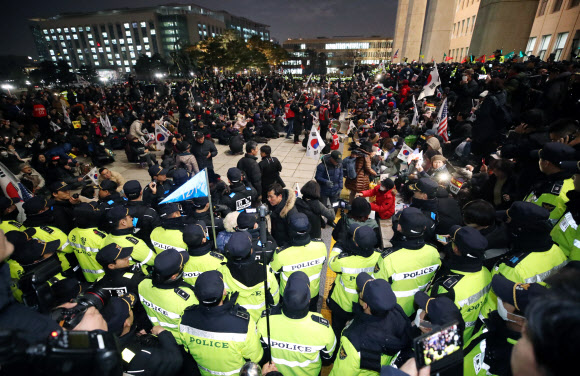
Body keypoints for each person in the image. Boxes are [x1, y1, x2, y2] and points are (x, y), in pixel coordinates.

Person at [481, 201, 568, 317]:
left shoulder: (514, 269)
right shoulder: (557, 250)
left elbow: (495, 308)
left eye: (508, 221)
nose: (505, 224)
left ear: (518, 230)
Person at [179, 270, 263, 376]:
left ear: (196, 296)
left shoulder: (185, 318)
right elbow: (256, 357)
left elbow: (187, 348)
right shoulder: (243, 324)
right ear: (224, 292)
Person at [463, 274, 546, 376]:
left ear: (520, 320)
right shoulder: (499, 325)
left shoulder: (499, 361)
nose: (499, 298)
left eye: (506, 300)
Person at [330, 273, 412, 375]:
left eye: (361, 292)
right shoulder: (398, 313)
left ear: (365, 305)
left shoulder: (353, 341)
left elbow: (341, 373)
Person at [257, 272, 336, 376]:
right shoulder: (323, 329)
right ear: (309, 300)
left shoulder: (264, 322)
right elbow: (327, 359)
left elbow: (261, 353)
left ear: (284, 297)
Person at [428, 225, 491, 341]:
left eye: (452, 241)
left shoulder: (447, 288)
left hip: (444, 342)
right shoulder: (487, 273)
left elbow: (430, 325)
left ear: (456, 249)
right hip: (466, 337)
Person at [374, 207, 441, 316]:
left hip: (393, 311)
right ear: (424, 228)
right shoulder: (434, 252)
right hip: (417, 307)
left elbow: (377, 289)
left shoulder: (388, 259)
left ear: (399, 227)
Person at [104, 295, 183, 375]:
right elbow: (175, 360)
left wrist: (137, 337)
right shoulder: (142, 355)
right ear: (126, 323)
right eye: (130, 309)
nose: (131, 309)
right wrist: (163, 333)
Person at [328, 224, 381, 340]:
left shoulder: (344, 261)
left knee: (337, 330)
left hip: (342, 305)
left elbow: (331, 262)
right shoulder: (380, 257)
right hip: (364, 306)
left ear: (356, 244)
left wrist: (338, 246)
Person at [270, 213, 327, 311]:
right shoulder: (321, 246)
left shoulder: (281, 254)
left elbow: (272, 273)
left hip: (289, 297)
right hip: (312, 295)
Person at [218, 232, 280, 322]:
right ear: (251, 250)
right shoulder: (266, 272)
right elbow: (275, 303)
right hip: (261, 324)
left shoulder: (220, 273)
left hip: (234, 325)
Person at [138, 248, 197, 343]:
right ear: (174, 276)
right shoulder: (187, 299)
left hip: (156, 335)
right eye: (181, 266)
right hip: (179, 343)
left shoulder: (142, 285)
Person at [524, 142, 576, 223]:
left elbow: (540, 224)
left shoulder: (554, 194)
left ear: (546, 163)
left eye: (540, 159)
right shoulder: (569, 181)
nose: (539, 161)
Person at [64, 203, 108, 283]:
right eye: (93, 210)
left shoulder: (72, 233)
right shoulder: (99, 236)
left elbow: (68, 250)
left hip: (87, 277)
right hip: (104, 276)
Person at [357, 177, 396, 247]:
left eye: (383, 185)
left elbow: (382, 209)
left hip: (385, 214)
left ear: (387, 188)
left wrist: (370, 205)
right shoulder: (379, 188)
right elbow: (372, 192)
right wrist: (363, 194)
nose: (381, 186)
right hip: (378, 207)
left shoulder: (389, 197)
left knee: (378, 226)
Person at [123, 180, 161, 249]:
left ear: (125, 195)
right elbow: (158, 232)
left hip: (124, 247)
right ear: (141, 192)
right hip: (147, 248)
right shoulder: (150, 212)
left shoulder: (119, 211)